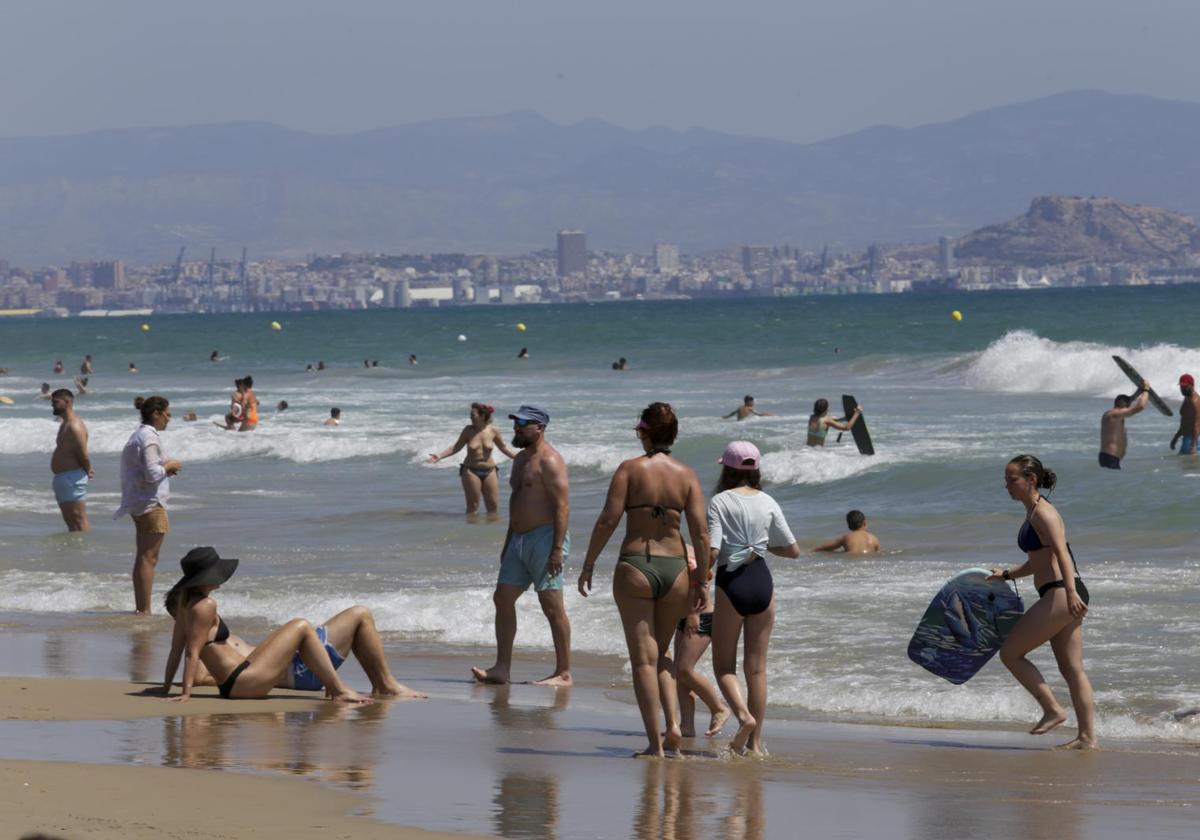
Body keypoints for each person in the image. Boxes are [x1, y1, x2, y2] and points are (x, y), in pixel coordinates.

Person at [577, 402, 710, 757]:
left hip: (636, 566)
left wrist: (588, 563)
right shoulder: (687, 475)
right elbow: (700, 532)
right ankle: (674, 727)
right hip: (678, 571)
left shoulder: (629, 470)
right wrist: (703, 582)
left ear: (646, 432)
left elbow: (608, 520)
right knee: (661, 654)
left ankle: (656, 745)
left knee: (643, 661)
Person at [151, 547, 389, 704]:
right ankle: (338, 690)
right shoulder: (205, 605)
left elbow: (176, 651)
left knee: (300, 627)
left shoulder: (185, 611)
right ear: (207, 577)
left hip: (236, 683)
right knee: (301, 625)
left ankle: (342, 687)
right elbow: (191, 653)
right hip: (242, 682)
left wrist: (166, 687)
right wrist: (185, 693)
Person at [988, 454, 1094, 750]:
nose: (1007, 486)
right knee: (1072, 669)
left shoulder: (1043, 513)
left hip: (1062, 591)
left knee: (1010, 653)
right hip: (1062, 590)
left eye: (1012, 480)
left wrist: (1071, 594)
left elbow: (1062, 553)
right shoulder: (1032, 513)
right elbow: (1037, 562)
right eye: (1006, 480)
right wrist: (1007, 574)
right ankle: (1087, 737)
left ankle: (1052, 709)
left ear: (1030, 480)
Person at [706, 440, 799, 754]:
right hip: (761, 580)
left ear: (727, 470)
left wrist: (699, 580)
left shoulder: (719, 501)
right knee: (757, 670)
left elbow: (714, 549)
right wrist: (762, 548)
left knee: (723, 667)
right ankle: (756, 744)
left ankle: (743, 717)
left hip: (731, 582)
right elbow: (793, 550)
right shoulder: (768, 501)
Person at [472, 405, 572, 686]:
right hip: (518, 539)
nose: (516, 428)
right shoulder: (519, 460)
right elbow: (517, 502)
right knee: (502, 599)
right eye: (515, 423)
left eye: (523, 424)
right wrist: (507, 543)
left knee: (552, 606)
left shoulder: (550, 461)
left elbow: (562, 507)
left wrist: (556, 549)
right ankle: (501, 669)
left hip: (545, 538)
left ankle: (564, 672)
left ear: (539, 427)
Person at [116, 396, 182, 614]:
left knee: (144, 556)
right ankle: (144, 610)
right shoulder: (149, 438)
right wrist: (170, 465)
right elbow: (152, 472)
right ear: (156, 413)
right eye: (168, 415)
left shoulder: (139, 434)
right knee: (148, 557)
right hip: (151, 504)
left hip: (140, 501)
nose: (169, 420)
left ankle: (141, 608)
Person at [671, 547, 728, 738]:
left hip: (699, 615)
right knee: (679, 674)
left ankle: (719, 708)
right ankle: (687, 726)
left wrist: (693, 613)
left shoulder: (689, 550)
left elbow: (697, 582)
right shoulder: (672, 548)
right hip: (683, 615)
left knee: (684, 670)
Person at [428, 403, 518, 518]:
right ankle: (471, 533)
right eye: (470, 415)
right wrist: (439, 456)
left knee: (493, 508)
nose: (470, 417)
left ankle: (489, 533)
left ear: (482, 416)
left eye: (473, 415)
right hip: (471, 471)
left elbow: (503, 448)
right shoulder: (468, 430)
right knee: (472, 508)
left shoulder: (493, 431)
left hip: (490, 471)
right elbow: (456, 447)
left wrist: (517, 458)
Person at [50, 388, 93, 532]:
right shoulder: (65, 423)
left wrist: (88, 469)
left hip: (72, 477)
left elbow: (83, 453)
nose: (52, 405)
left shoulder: (75, 425)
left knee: (78, 519)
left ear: (67, 402)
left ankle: (86, 550)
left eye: (56, 402)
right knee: (71, 522)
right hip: (64, 478)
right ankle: (77, 551)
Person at [1099, 385, 1149, 469]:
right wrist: (1146, 390)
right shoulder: (1113, 414)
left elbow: (1130, 399)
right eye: (1128, 406)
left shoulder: (1115, 415)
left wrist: (1139, 391)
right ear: (1122, 403)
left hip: (1112, 458)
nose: (1128, 408)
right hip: (1110, 458)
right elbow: (1140, 407)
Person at [814, 510, 881, 553]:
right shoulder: (874, 539)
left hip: (851, 564)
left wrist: (815, 550)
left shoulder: (847, 537)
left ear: (849, 526)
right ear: (865, 523)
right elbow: (878, 553)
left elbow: (827, 547)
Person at [1170, 373, 1199, 455]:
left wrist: (1193, 446)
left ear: (1191, 385)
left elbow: (1197, 425)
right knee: (1183, 466)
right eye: (1181, 386)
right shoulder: (1187, 398)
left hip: (1194, 440)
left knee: (1189, 466)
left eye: (1185, 386)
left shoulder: (1195, 401)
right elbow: (1185, 421)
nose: (1182, 389)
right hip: (1187, 439)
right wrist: (1176, 437)